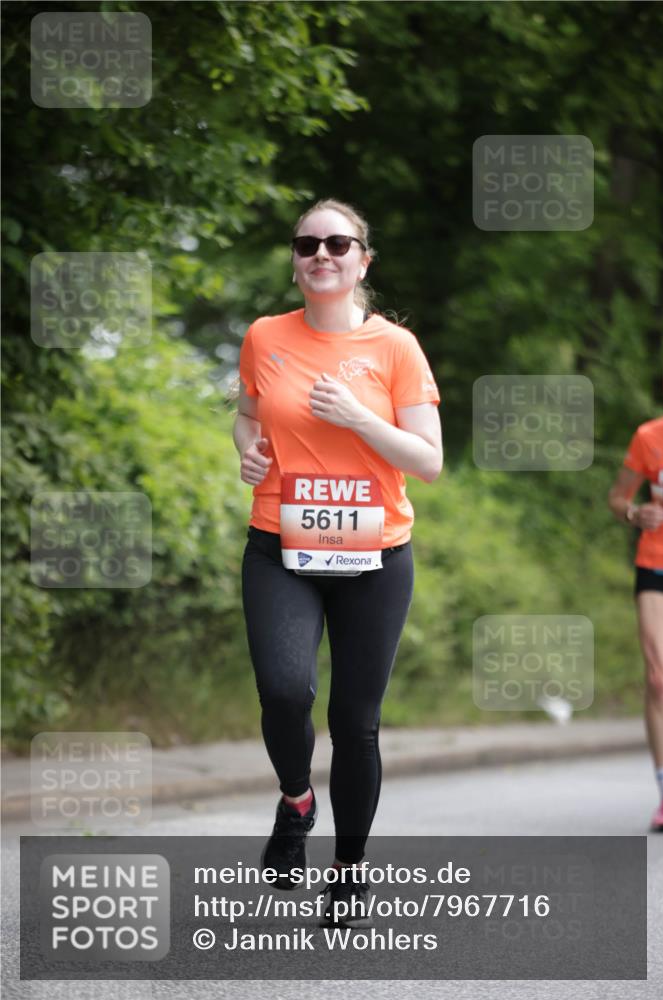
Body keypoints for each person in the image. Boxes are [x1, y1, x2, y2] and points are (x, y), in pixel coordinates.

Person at [231, 198, 443, 926]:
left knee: (355, 721)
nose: (321, 253)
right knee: (285, 692)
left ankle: (349, 871)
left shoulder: (394, 348)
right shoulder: (265, 336)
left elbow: (430, 460)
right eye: (307, 243)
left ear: (362, 262)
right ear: (294, 262)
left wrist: (357, 416)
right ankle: (296, 800)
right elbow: (247, 413)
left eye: (338, 243)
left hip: (375, 554)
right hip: (280, 545)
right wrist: (245, 448)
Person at [608, 372, 663, 833]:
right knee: (659, 677)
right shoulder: (650, 438)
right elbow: (618, 497)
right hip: (657, 564)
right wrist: (635, 513)